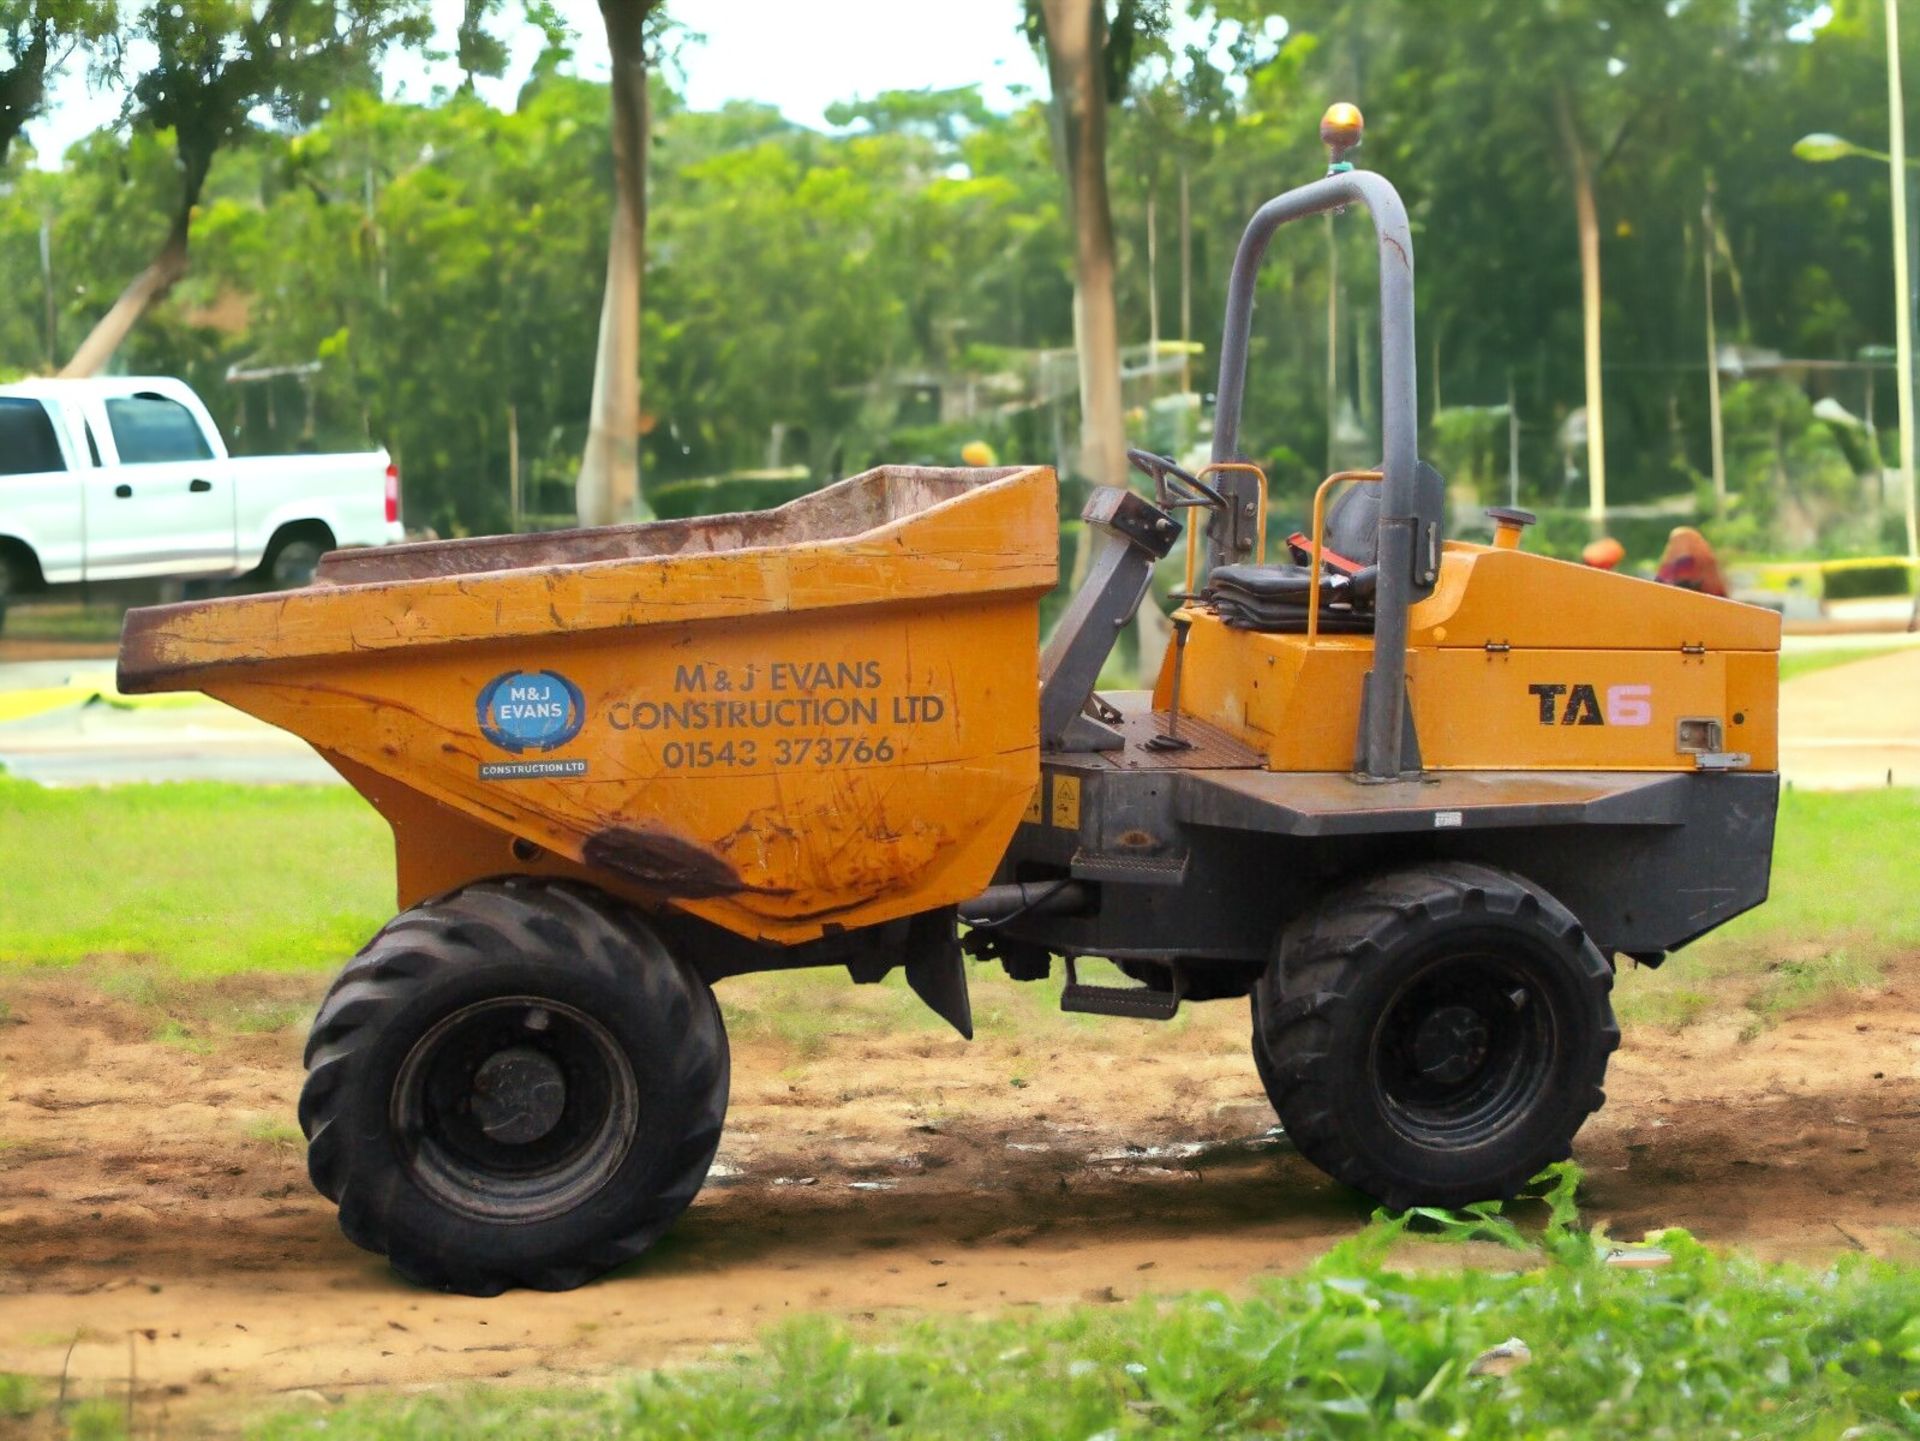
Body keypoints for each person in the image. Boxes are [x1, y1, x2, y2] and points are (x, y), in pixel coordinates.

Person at [1654, 527, 1728, 597]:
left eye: (1681, 540)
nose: (1677, 544)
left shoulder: (1703, 562)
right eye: (1674, 540)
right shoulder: (1669, 565)